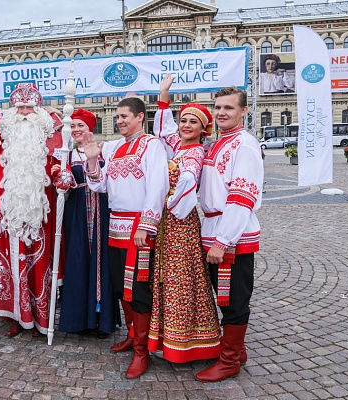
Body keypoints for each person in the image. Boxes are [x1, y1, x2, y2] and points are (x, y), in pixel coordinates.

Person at [0, 40, 63, 337]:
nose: (26, 112)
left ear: (40, 111)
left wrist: (62, 177)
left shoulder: (51, 135)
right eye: (20, 107)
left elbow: (60, 166)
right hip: (7, 212)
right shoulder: (1, 127)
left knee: (38, 264)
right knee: (10, 264)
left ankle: (39, 319)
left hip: (40, 214)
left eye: (31, 108)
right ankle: (15, 318)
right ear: (12, 111)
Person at [83, 97, 169, 379]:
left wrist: (147, 224)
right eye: (117, 117)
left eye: (124, 116)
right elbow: (99, 184)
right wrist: (93, 158)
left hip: (138, 226)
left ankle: (142, 351)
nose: (119, 121)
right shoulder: (117, 147)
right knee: (121, 286)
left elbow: (158, 185)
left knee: (139, 289)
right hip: (116, 225)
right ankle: (133, 336)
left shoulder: (151, 145)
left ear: (140, 117)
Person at [148, 74, 221, 363]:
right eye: (184, 121)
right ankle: (170, 339)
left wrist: (164, 200)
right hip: (169, 225)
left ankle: (188, 342)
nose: (186, 126)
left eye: (193, 122)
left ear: (203, 129)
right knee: (168, 277)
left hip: (181, 223)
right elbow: (162, 130)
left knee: (182, 279)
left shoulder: (193, 153)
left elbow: (188, 182)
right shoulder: (178, 146)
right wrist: (163, 94)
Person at [195, 86, 264, 382]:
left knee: (234, 299)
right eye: (218, 107)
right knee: (222, 298)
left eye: (229, 108)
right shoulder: (219, 142)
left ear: (243, 111)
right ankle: (236, 350)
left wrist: (223, 241)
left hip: (231, 235)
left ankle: (230, 360)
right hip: (213, 229)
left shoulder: (244, 145)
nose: (221, 112)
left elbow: (241, 197)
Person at [53, 108, 117, 338]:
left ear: (91, 127)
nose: (76, 129)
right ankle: (78, 318)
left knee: (101, 261)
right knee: (78, 259)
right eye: (73, 126)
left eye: (81, 125)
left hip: (101, 210)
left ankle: (101, 318)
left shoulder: (105, 151)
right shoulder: (65, 155)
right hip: (76, 213)